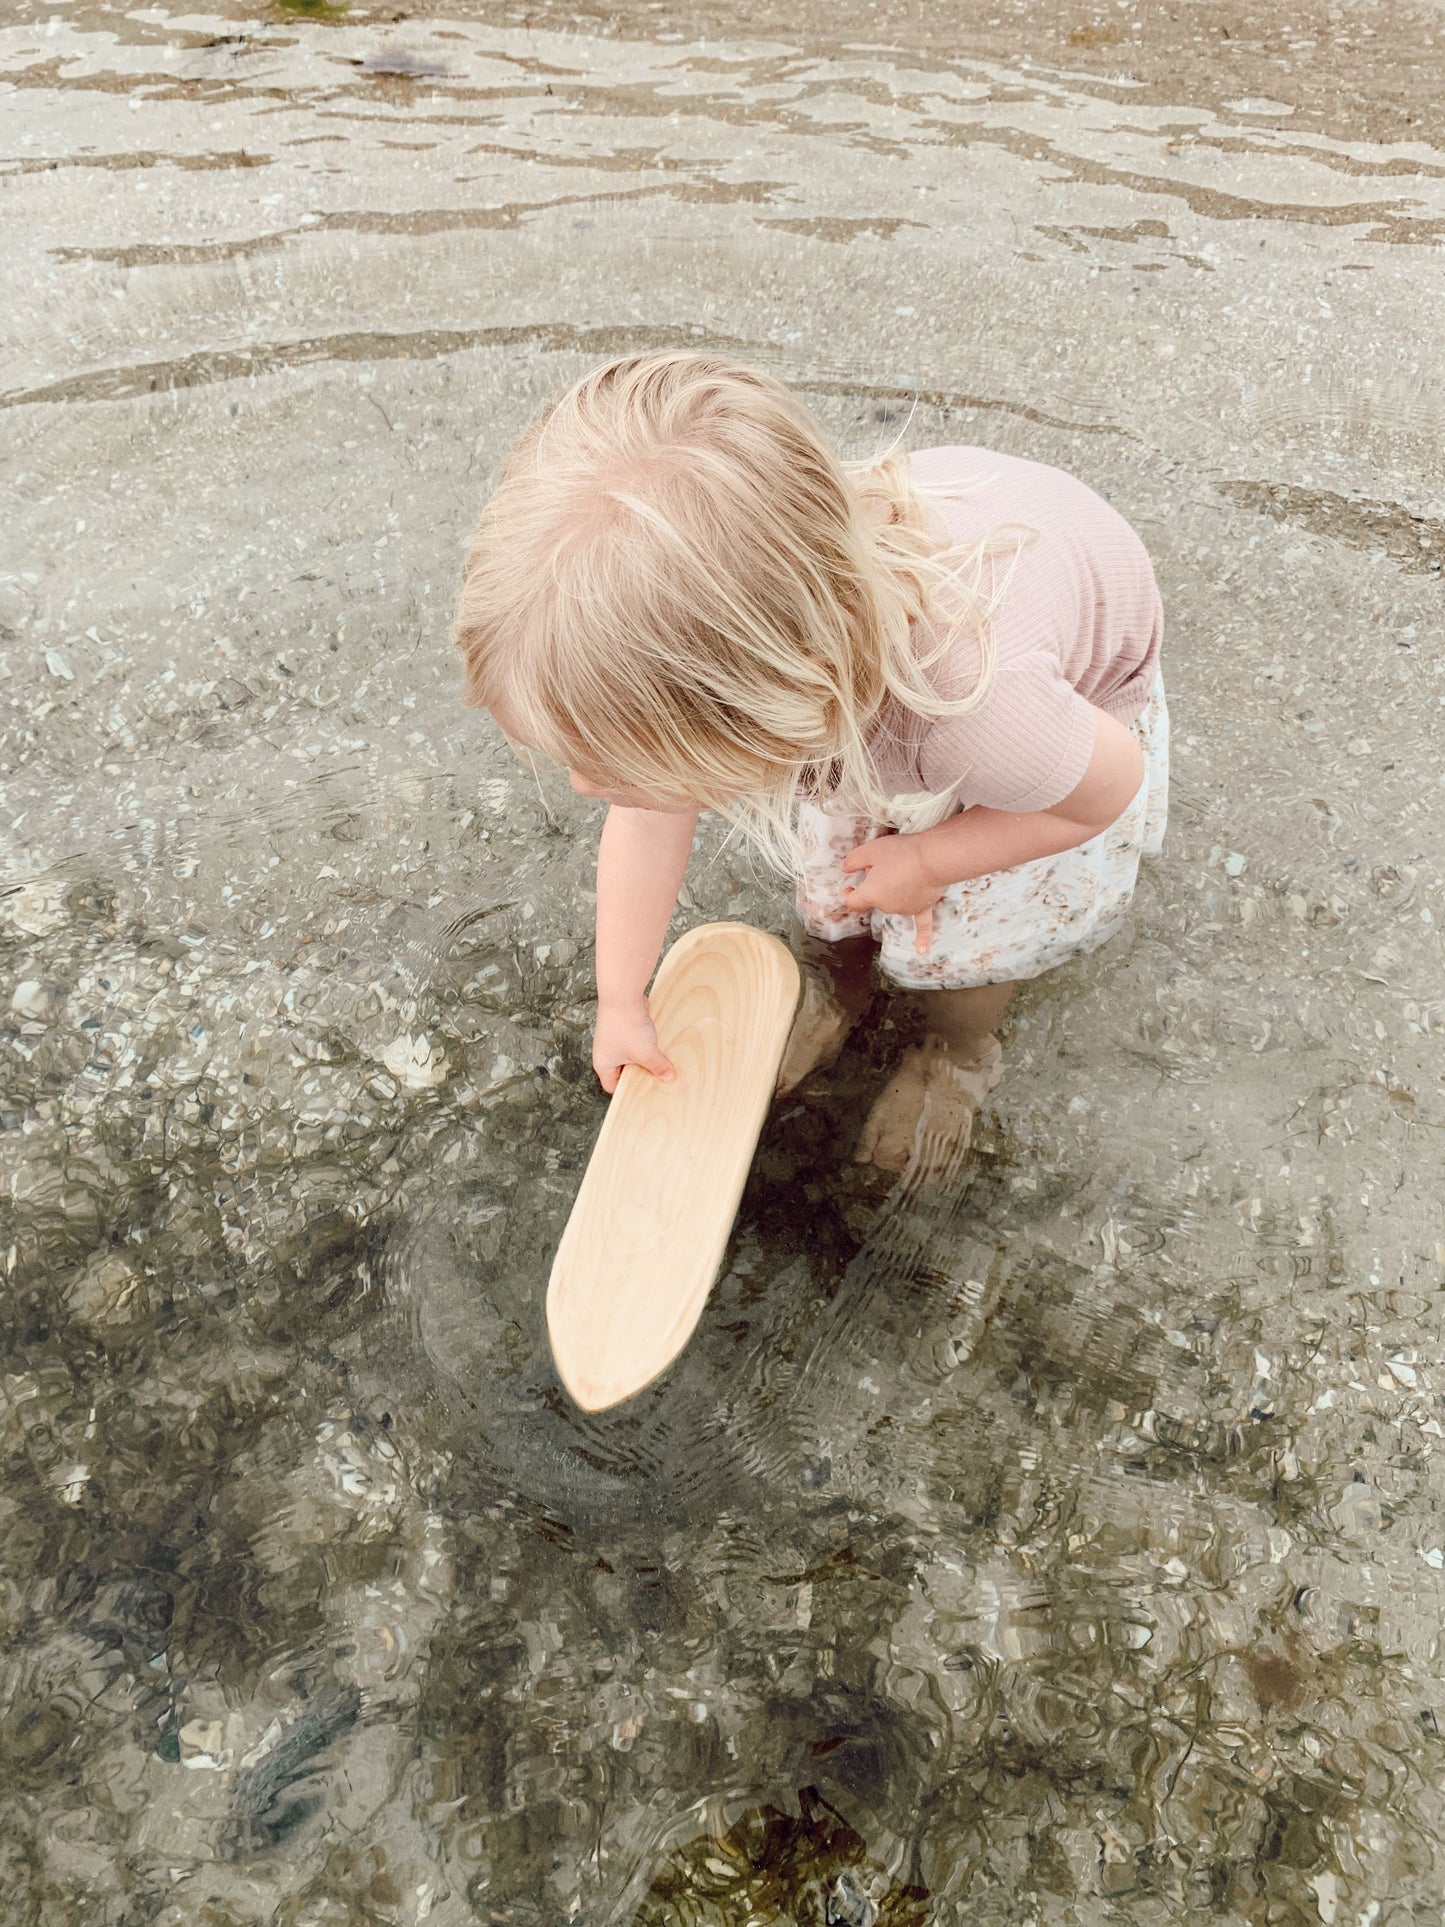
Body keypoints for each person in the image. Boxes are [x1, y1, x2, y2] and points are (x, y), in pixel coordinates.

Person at [454, 351, 1167, 1170]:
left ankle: (959, 1049)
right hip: (870, 682)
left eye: (612, 761)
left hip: (1055, 737)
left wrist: (934, 857)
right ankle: (840, 978)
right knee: (843, 877)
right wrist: (621, 998)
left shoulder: (984, 711)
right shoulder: (779, 636)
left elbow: (1103, 789)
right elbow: (647, 815)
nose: (585, 785)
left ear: (764, 705)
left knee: (976, 934)